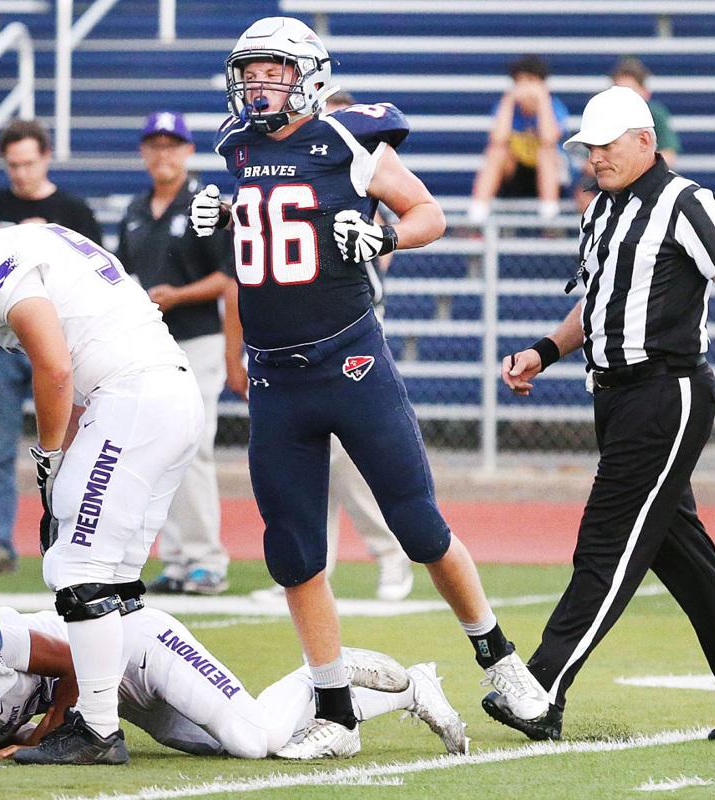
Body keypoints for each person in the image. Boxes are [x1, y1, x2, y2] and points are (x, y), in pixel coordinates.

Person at [190, 16, 549, 759]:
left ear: (310, 76)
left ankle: (502, 660)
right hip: (275, 376)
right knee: (292, 553)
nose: (258, 84)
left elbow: (430, 213)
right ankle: (336, 715)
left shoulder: (348, 141)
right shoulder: (235, 147)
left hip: (351, 364)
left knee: (419, 526)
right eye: (250, 71)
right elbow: (270, 228)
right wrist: (220, 216)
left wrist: (386, 237)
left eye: (273, 71)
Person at [484, 86, 715, 743]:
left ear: (644, 142)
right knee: (671, 545)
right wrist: (544, 352)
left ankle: (542, 686)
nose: (594, 157)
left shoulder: (686, 201)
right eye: (587, 148)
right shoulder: (601, 211)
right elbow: (599, 303)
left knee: (607, 540)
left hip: (668, 389)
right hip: (616, 395)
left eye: (605, 145)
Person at [0, 222, 204, 765]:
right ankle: (336, 699)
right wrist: (65, 463)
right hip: (166, 394)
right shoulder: (32, 242)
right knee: (114, 576)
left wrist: (51, 459)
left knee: (76, 567)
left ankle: (97, 731)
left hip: (135, 397)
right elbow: (75, 371)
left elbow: (55, 369)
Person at [0, 604, 467, 760]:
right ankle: (391, 696)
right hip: (111, 697)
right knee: (225, 746)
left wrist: (51, 738)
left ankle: (334, 670)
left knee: (252, 741)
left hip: (130, 646)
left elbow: (83, 660)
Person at [234, 91, 413, 603]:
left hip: (347, 335)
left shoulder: (355, 172)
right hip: (288, 340)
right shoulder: (277, 169)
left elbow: (391, 236)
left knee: (350, 464)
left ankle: (391, 555)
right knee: (306, 468)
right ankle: (313, 570)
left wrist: (373, 235)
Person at [0, 119, 104, 576]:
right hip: (3, 348)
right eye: (12, 165)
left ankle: (69, 540)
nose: (21, 173)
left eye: (28, 163)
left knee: (70, 446)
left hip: (59, 347)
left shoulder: (73, 211)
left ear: (45, 157)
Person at [118, 111, 234, 596]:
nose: (162, 153)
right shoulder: (136, 209)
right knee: (160, 452)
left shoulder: (204, 205)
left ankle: (208, 559)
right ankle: (178, 559)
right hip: (152, 345)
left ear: (187, 151)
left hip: (199, 337)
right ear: (144, 152)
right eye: (154, 145)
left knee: (195, 446)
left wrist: (178, 295)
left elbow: (229, 276)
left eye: (172, 145)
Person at [468, 55, 571, 224]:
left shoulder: (554, 106)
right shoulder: (508, 107)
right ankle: (477, 214)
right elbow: (497, 139)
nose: (525, 88)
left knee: (546, 152)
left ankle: (549, 216)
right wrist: (508, 101)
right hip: (515, 172)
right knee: (496, 151)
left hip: (548, 173)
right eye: (520, 81)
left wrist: (542, 101)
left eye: (530, 81)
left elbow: (549, 139)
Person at [574, 57, 683, 212]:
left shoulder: (655, 114)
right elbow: (587, 164)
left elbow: (669, 156)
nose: (595, 158)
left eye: (607, 145)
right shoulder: (601, 117)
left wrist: (633, 162)